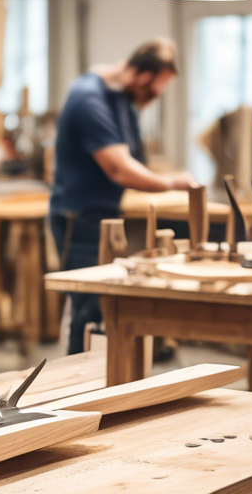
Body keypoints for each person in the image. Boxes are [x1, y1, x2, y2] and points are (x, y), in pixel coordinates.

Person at [50, 38, 195, 355]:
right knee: (88, 310)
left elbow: (133, 159)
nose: (152, 99)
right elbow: (119, 169)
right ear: (142, 77)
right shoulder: (90, 99)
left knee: (106, 309)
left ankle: (109, 383)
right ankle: (77, 391)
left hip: (105, 214)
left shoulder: (118, 97)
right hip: (81, 217)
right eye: (154, 92)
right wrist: (172, 183)